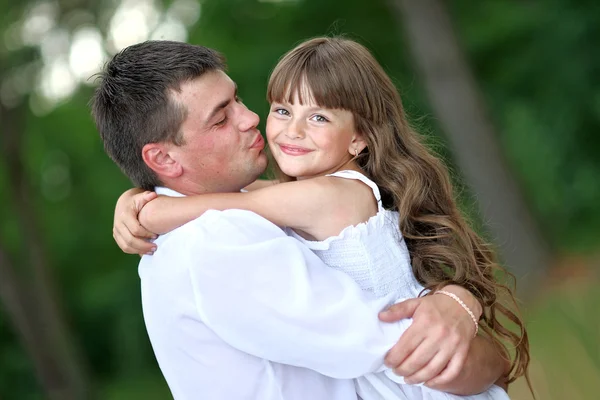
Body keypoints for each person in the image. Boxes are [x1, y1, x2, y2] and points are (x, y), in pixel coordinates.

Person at [113, 38, 528, 399]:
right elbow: (415, 352)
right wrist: (490, 355)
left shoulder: (311, 197)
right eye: (222, 118)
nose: (251, 118)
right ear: (163, 158)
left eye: (237, 99)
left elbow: (254, 202)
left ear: (359, 136)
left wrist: (150, 204)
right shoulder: (214, 239)